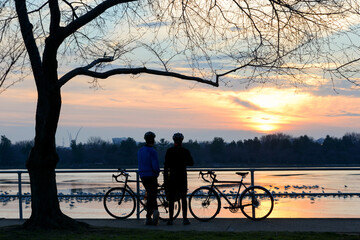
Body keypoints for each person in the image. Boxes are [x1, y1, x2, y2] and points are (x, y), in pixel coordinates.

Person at [164, 132, 194, 225]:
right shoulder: (185, 151)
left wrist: (165, 179)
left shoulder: (169, 151)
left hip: (172, 177)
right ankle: (185, 219)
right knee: (184, 198)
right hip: (182, 177)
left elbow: (166, 165)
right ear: (182, 141)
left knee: (172, 199)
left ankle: (171, 219)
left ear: (174, 141)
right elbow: (191, 163)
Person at [138, 131, 160, 225]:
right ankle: (150, 215)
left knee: (150, 195)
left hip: (143, 176)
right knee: (152, 195)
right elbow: (155, 165)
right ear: (153, 140)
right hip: (151, 175)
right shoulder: (152, 151)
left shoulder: (140, 151)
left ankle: (153, 213)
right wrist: (157, 172)